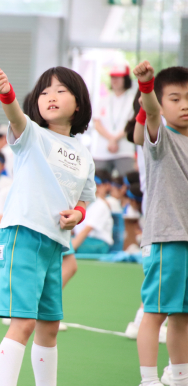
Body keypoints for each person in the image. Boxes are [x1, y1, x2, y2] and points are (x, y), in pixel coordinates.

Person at [0, 66, 96, 386]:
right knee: (23, 322)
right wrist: (6, 92)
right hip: (23, 233)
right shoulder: (32, 135)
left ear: (78, 104)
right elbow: (15, 115)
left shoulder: (84, 153)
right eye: (44, 92)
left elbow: (85, 198)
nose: (51, 96)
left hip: (56, 243)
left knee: (49, 325)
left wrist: (77, 215)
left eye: (61, 90)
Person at [132, 61, 188, 386]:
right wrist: (147, 85)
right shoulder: (161, 140)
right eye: (176, 98)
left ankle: (180, 375)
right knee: (155, 313)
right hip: (167, 238)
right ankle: (149, 380)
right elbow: (150, 114)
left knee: (182, 315)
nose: (184, 105)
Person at [91, 64, 137, 176]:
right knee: (98, 183)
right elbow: (97, 123)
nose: (114, 80)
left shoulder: (133, 100)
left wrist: (115, 139)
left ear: (125, 79)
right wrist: (111, 139)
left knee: (126, 183)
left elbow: (133, 123)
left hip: (125, 151)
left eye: (118, 77)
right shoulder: (104, 100)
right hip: (102, 151)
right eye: (112, 77)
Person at [71, 170, 114, 254]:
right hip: (84, 240)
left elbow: (86, 231)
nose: (94, 188)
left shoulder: (100, 205)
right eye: (91, 184)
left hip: (98, 243)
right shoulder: (83, 203)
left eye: (97, 185)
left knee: (63, 247)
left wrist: (70, 249)